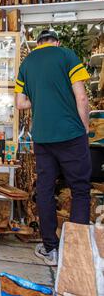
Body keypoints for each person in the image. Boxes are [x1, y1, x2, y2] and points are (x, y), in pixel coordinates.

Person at [15, 29, 92, 266]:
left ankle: (51, 247)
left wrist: (40, 98)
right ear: (56, 42)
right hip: (71, 134)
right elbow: (82, 98)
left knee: (45, 190)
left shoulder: (26, 63)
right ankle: (74, 249)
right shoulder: (67, 55)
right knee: (79, 189)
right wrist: (85, 128)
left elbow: (20, 103)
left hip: (42, 137)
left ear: (37, 44)